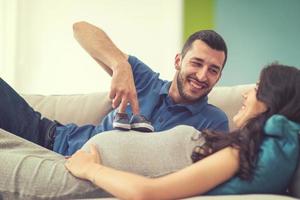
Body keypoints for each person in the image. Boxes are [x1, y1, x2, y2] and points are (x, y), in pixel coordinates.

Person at [0, 63, 299, 200]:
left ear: (270, 102)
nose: (247, 94)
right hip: (77, 159)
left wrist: (91, 170)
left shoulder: (240, 154)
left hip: (78, 175)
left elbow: (149, 193)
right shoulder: (240, 146)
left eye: (257, 89)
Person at [0, 21, 229, 156]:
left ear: (219, 77)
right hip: (49, 136)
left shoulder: (214, 122)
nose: (202, 76)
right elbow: (80, 29)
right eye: (197, 63)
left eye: (213, 70)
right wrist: (119, 64)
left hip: (74, 166)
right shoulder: (145, 80)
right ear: (178, 61)